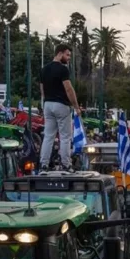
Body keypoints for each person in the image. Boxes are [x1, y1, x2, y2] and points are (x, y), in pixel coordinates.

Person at [39, 44, 81, 173]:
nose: (68, 58)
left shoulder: (44, 69)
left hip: (47, 104)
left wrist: (45, 102)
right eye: (67, 55)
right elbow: (68, 88)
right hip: (61, 105)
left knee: (48, 136)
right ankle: (66, 164)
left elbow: (42, 89)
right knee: (65, 136)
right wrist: (76, 106)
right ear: (60, 53)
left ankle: (43, 164)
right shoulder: (63, 70)